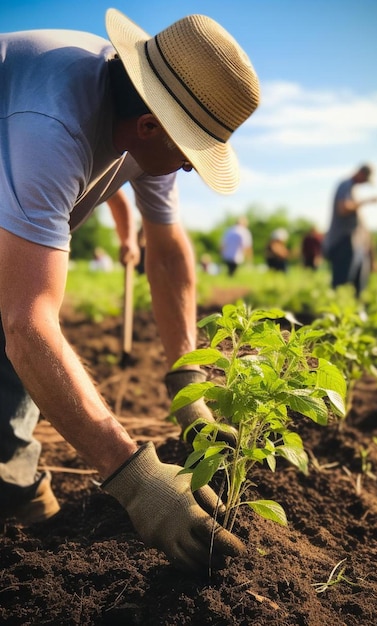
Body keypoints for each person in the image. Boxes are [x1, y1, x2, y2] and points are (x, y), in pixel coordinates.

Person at [0, 9, 260, 572]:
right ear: (150, 127)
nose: (191, 170)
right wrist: (136, 480)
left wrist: (188, 385)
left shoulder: (147, 112)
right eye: (191, 154)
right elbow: (27, 323)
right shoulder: (50, 126)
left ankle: (10, 479)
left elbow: (166, 257)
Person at [322, 164, 377, 296]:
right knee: (341, 284)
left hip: (355, 243)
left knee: (358, 285)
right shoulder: (346, 185)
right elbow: (343, 209)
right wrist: (367, 201)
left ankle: (354, 313)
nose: (364, 183)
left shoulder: (353, 189)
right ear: (361, 173)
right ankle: (336, 315)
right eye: (365, 180)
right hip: (343, 241)